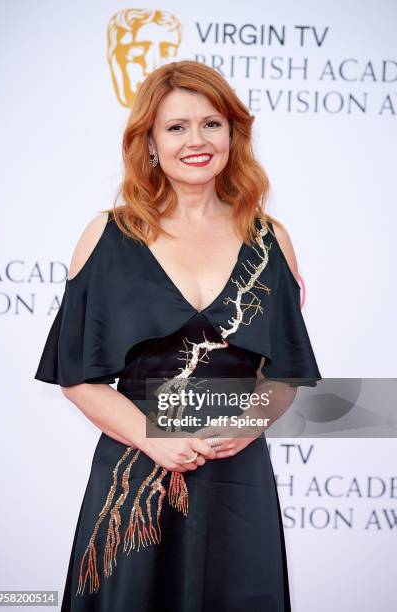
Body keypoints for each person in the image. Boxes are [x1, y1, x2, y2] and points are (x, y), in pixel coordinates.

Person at [34, 60, 322, 611]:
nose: (197, 140)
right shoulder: (107, 236)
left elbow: (284, 374)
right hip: (133, 475)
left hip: (235, 482)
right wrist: (153, 437)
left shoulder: (270, 240)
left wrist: (247, 423)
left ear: (233, 135)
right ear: (149, 142)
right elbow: (78, 378)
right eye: (176, 127)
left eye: (212, 124)